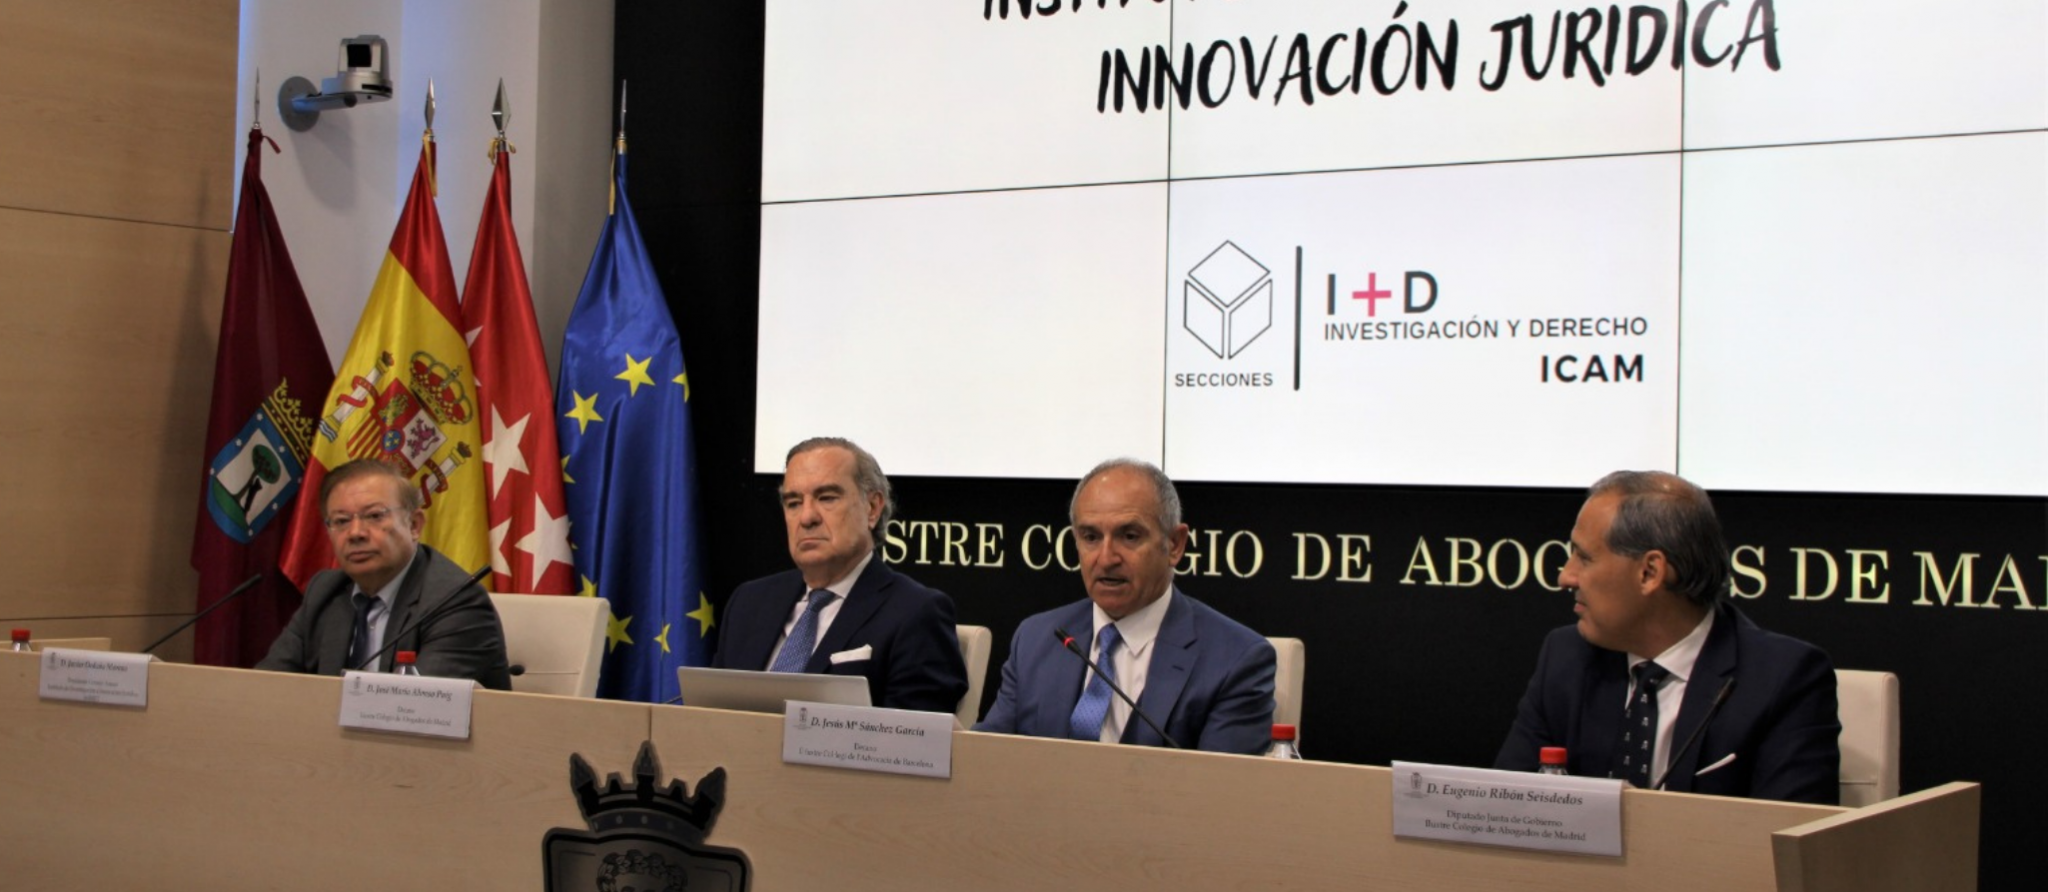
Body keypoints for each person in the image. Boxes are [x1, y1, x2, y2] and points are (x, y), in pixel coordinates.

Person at [1495, 471, 1839, 803]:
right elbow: (1506, 811)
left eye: (1584, 557)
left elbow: (1787, 834)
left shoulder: (1783, 679)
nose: (1565, 577)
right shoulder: (1566, 657)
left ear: (1650, 572)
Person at [976, 459, 1276, 754]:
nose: (1106, 558)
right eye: (1091, 537)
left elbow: (1220, 783)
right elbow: (986, 758)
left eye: (1129, 536)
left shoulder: (1235, 660)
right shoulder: (1036, 638)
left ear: (1175, 544)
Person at [712, 438, 968, 713]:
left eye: (827, 498)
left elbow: (916, 735)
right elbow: (708, 714)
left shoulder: (915, 612)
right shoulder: (749, 602)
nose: (807, 517)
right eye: (794, 503)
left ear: (872, 508)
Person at [257, 459, 512, 689]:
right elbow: (266, 687)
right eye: (342, 521)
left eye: (374, 516)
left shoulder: (456, 601)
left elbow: (416, 708)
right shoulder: (325, 591)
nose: (356, 533)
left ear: (414, 525)